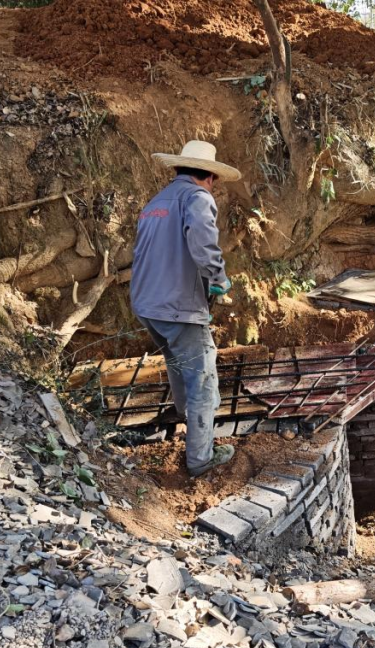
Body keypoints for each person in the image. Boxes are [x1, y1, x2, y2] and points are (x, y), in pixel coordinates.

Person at [130, 141, 241, 477]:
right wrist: (218, 279)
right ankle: (201, 459)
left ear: (178, 169)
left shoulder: (156, 202)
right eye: (213, 182)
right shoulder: (197, 197)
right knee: (203, 381)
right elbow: (203, 243)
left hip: (147, 304)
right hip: (177, 307)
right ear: (209, 177)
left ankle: (186, 419)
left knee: (178, 364)